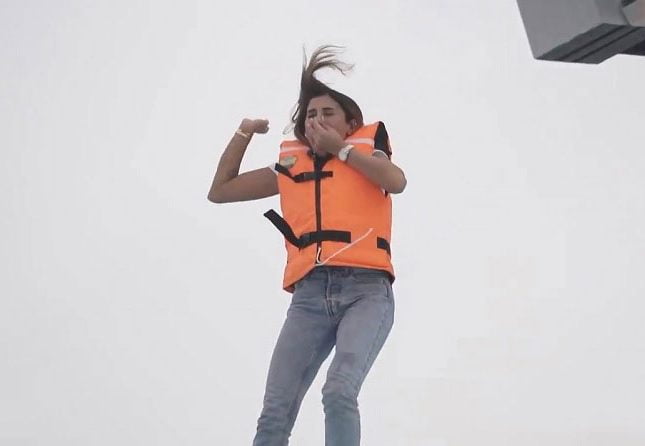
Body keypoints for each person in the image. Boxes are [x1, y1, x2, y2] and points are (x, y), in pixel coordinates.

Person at [207, 45, 407, 446]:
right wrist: (244, 131)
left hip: (366, 291)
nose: (317, 120)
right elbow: (221, 191)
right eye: (311, 115)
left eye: (328, 113)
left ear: (351, 123)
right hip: (310, 296)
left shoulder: (368, 150)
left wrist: (341, 150)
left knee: (339, 390)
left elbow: (395, 181)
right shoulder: (290, 166)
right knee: (274, 412)